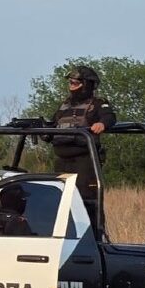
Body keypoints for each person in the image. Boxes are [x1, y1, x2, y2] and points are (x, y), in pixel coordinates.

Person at [47, 66, 116, 222]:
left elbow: (110, 117)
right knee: (61, 200)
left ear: (87, 84)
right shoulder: (64, 105)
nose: (72, 83)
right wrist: (45, 132)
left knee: (87, 202)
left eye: (77, 81)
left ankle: (96, 238)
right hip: (62, 161)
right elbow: (52, 125)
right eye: (71, 81)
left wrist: (102, 124)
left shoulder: (98, 103)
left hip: (85, 162)